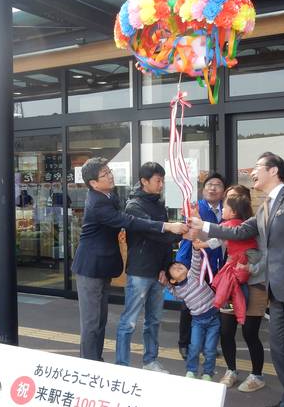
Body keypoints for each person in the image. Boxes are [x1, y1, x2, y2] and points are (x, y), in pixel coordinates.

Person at [189, 152, 284, 407]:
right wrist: (202, 226)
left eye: (256, 168)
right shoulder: (265, 206)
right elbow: (239, 231)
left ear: (274, 171)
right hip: (276, 291)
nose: (251, 173)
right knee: (279, 349)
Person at [71, 157, 188, 362]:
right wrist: (167, 226)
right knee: (91, 322)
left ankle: (96, 361)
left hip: (104, 265)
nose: (110, 176)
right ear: (93, 183)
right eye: (104, 174)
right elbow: (128, 220)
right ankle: (89, 365)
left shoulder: (110, 195)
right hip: (90, 266)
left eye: (109, 171)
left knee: (100, 319)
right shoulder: (97, 202)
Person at [116, 162, 181, 373]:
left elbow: (163, 241)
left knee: (153, 321)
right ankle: (122, 366)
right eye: (158, 180)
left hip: (157, 272)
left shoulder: (158, 204)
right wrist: (181, 232)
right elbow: (155, 233)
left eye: (162, 180)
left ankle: (150, 361)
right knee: (129, 322)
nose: (161, 184)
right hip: (139, 271)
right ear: (144, 182)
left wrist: (165, 267)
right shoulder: (134, 206)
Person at [210, 186, 268, 392]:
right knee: (226, 331)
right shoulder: (227, 226)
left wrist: (250, 268)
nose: (227, 201)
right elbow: (215, 240)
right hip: (231, 282)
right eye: (228, 197)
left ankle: (257, 375)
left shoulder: (256, 225)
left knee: (250, 332)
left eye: (233, 198)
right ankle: (231, 371)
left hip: (255, 284)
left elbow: (266, 256)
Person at [175, 173, 226, 360]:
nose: (213, 188)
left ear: (223, 191)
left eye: (218, 185)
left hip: (213, 263)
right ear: (203, 189)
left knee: (210, 305)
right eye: (209, 185)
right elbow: (191, 232)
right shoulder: (195, 207)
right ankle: (184, 344)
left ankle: (206, 345)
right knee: (190, 303)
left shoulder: (225, 210)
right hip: (191, 260)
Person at [165, 239, 221, 381]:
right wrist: (165, 281)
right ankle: (191, 370)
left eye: (179, 265)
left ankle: (208, 372)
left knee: (210, 349)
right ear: (173, 280)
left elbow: (196, 261)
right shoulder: (177, 291)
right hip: (197, 321)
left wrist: (196, 249)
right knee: (194, 347)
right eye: (175, 269)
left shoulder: (194, 274)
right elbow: (168, 286)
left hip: (214, 317)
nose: (178, 266)